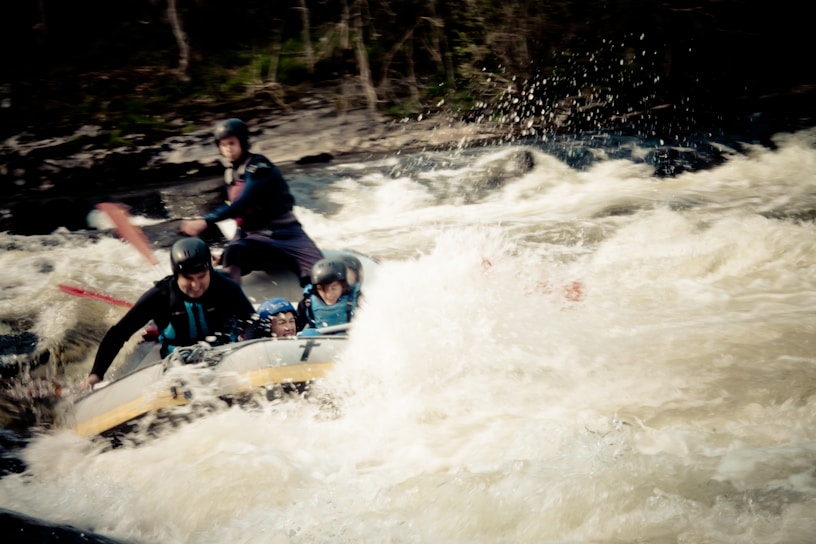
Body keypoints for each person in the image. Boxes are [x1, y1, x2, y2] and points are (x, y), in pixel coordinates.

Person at [84, 238, 255, 388]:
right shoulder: (160, 296)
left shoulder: (226, 287)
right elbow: (119, 333)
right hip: (177, 367)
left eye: (201, 276)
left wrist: (248, 352)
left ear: (210, 270)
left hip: (225, 355)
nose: (196, 285)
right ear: (176, 275)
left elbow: (251, 322)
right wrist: (96, 375)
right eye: (188, 278)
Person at [179, 118, 323, 287]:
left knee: (322, 274)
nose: (228, 148)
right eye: (224, 145)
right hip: (255, 237)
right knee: (234, 252)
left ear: (242, 142)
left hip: (285, 233)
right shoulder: (230, 174)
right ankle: (231, 300)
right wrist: (226, 254)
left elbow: (243, 203)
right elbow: (237, 215)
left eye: (232, 143)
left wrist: (206, 221)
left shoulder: (259, 166)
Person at [296, 257, 359, 333]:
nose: (329, 295)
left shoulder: (359, 299)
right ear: (316, 289)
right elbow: (294, 329)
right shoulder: (307, 303)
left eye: (333, 288)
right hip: (321, 344)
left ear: (343, 286)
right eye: (321, 289)